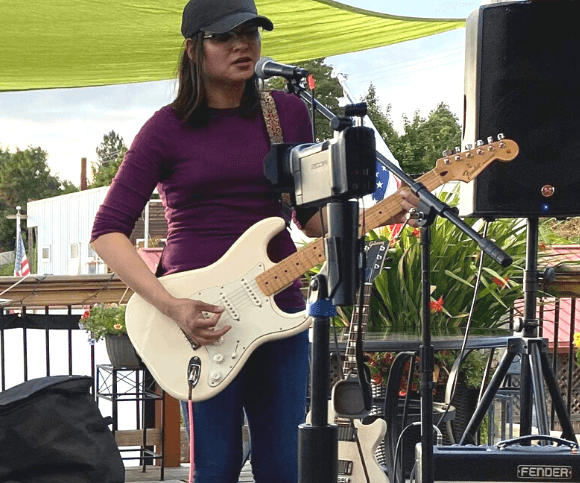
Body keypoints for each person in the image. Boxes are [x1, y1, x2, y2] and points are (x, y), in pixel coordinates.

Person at [90, 0, 418, 481]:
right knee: (216, 465)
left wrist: (380, 213)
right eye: (225, 36)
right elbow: (106, 232)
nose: (242, 44)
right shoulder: (166, 128)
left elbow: (307, 219)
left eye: (251, 33)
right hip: (199, 315)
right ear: (194, 49)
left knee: (285, 462)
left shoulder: (285, 113)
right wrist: (171, 306)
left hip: (280, 309)